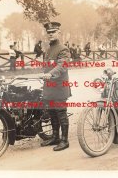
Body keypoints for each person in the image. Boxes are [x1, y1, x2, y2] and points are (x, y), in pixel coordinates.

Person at [40, 21, 72, 151]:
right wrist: (45, 74)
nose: (50, 34)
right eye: (48, 33)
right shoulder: (48, 49)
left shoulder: (63, 49)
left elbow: (62, 66)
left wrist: (50, 74)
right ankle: (55, 137)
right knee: (52, 113)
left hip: (59, 87)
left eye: (53, 32)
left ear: (59, 33)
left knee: (61, 113)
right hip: (49, 87)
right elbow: (47, 65)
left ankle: (64, 140)